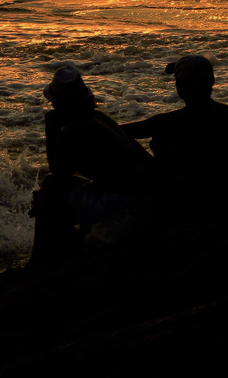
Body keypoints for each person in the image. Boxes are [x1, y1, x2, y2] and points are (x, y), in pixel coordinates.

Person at [28, 63, 157, 265]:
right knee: (57, 190)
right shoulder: (100, 119)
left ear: (59, 105)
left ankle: (37, 260)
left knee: (51, 186)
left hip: (122, 210)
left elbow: (58, 171)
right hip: (141, 203)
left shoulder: (74, 131)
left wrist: (51, 130)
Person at [123, 54, 228, 223]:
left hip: (193, 204)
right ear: (212, 82)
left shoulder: (171, 122)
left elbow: (116, 131)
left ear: (181, 88)